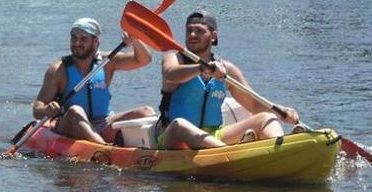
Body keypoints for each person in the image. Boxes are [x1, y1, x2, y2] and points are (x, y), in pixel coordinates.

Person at [155, 10, 300, 150]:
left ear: (213, 36)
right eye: (189, 30)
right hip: (174, 137)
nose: (192, 35)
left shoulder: (227, 70)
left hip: (213, 135)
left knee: (266, 118)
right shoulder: (174, 59)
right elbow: (170, 74)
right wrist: (202, 68)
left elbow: (254, 104)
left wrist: (281, 112)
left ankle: (280, 149)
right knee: (179, 124)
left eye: (199, 31)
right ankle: (232, 153)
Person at [32, 18, 154, 144]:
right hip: (71, 125)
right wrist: (47, 110)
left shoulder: (107, 62)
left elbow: (144, 60)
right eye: (74, 38)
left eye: (83, 38)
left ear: (95, 42)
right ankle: (103, 148)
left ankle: (158, 149)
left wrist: (135, 41)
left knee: (146, 112)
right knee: (75, 110)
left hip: (103, 122)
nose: (77, 43)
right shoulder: (58, 70)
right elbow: (37, 108)